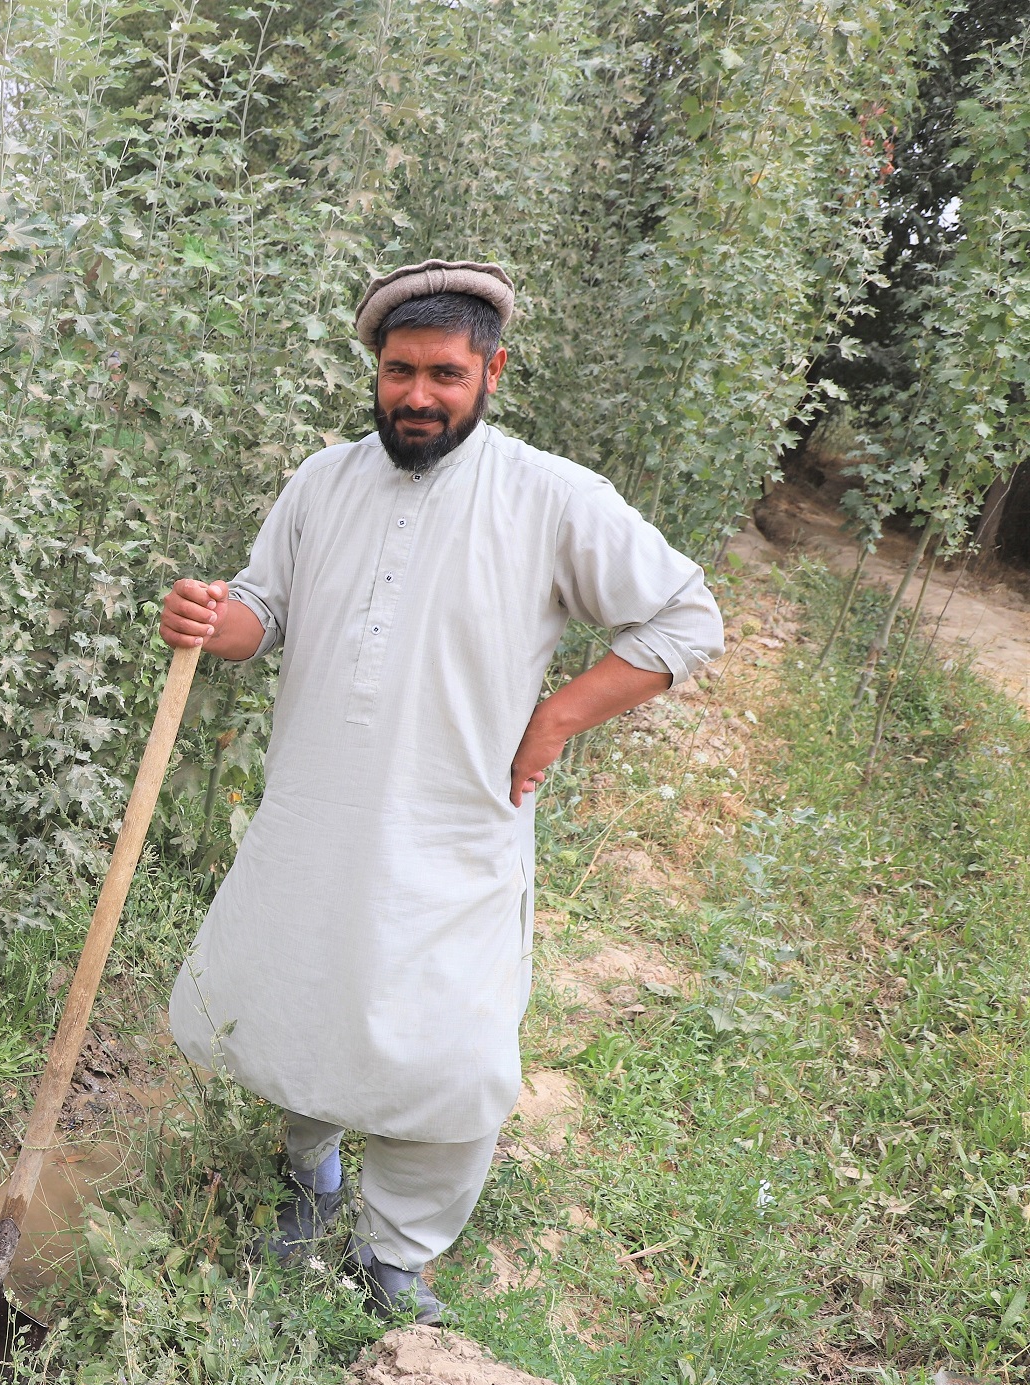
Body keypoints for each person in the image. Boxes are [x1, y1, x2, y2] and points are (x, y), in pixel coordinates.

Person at [160, 260, 724, 1322]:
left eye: (446, 374)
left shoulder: (550, 496)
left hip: (455, 820)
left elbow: (686, 620)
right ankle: (309, 1182)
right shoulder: (322, 481)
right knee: (302, 992)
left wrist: (554, 719)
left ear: (492, 372)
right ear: (375, 369)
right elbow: (258, 611)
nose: (419, 394)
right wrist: (208, 616)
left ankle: (393, 1253)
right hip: (316, 806)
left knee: (451, 1050)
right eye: (400, 371)